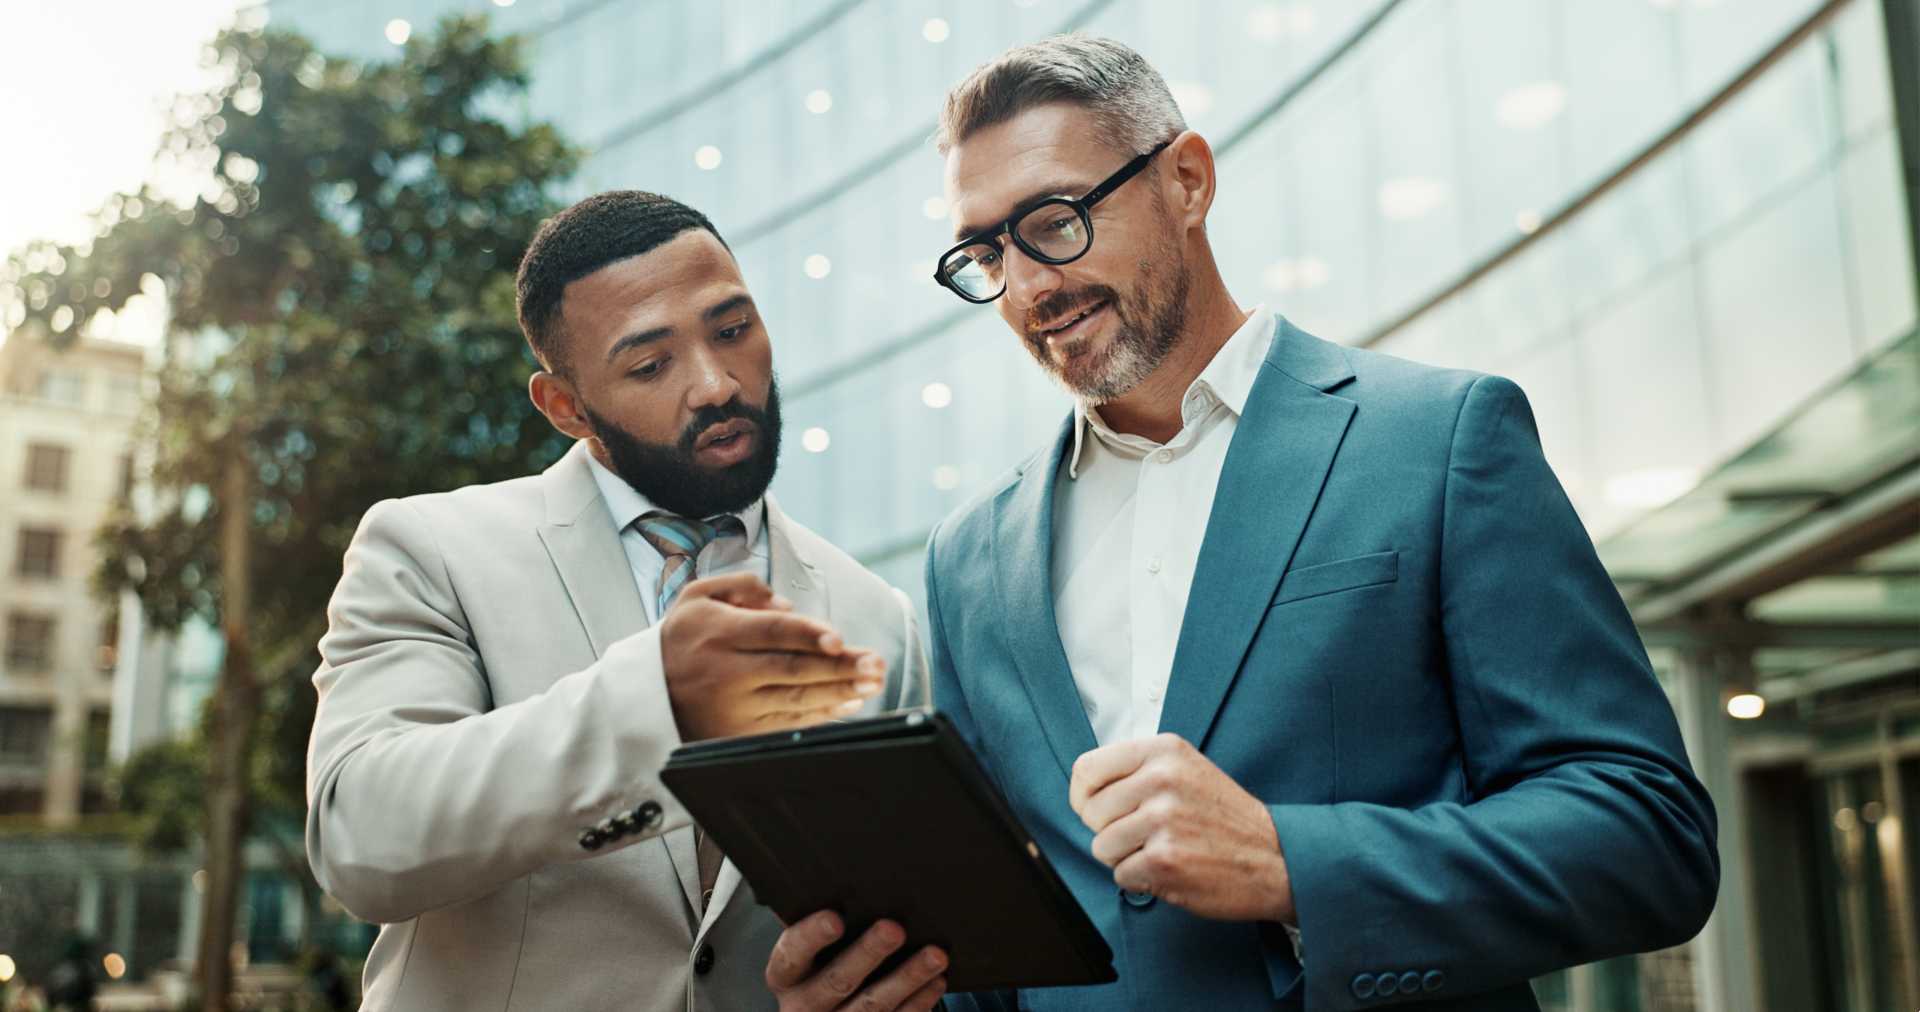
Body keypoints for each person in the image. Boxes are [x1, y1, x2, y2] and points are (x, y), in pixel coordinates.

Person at [893, 35, 1719, 1010]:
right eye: (986, 253)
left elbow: (1647, 833)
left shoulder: (1442, 440)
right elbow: (998, 929)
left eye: (1056, 221)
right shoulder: (970, 558)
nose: (1028, 287)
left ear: (1187, 181)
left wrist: (1294, 862)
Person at [304, 191, 946, 1010]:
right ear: (566, 407)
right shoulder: (428, 550)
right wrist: (663, 702)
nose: (716, 385)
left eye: (732, 330)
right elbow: (362, 838)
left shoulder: (875, 616)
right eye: (650, 365)